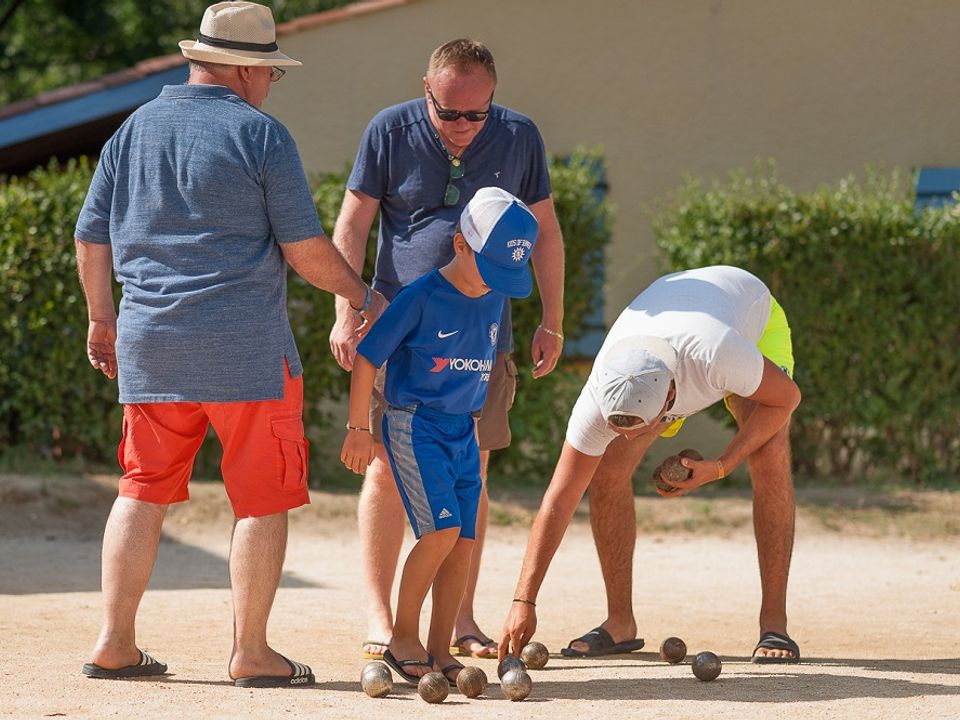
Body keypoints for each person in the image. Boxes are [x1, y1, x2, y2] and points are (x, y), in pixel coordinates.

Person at [74, 1, 385, 687]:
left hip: (152, 347)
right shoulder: (262, 135)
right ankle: (251, 653)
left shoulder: (132, 129)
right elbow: (305, 251)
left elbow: (90, 235)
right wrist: (364, 297)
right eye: (270, 71)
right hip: (247, 354)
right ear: (244, 68)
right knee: (262, 499)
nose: (272, 84)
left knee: (141, 490)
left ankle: (114, 642)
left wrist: (103, 321)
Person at [330, 38, 565, 660]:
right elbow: (352, 224)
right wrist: (346, 309)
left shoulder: (519, 137)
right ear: (425, 90)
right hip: (397, 325)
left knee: (472, 474)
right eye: (449, 112)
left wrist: (553, 320)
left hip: (481, 343)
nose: (463, 127)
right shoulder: (388, 130)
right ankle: (384, 620)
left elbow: (544, 232)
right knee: (384, 468)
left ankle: (458, 620)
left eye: (477, 113)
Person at [499, 265, 804, 664]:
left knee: (769, 452)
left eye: (638, 428)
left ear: (671, 398)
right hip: (672, 335)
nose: (627, 437)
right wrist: (524, 599)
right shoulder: (599, 391)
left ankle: (774, 623)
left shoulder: (718, 355)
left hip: (749, 316)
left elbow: (787, 398)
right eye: (618, 426)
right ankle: (620, 622)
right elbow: (558, 500)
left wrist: (722, 466)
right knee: (608, 467)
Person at [341, 187, 539, 683]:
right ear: (460, 244)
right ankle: (401, 638)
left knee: (465, 541)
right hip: (415, 425)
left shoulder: (494, 296)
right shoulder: (420, 296)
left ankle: (438, 647)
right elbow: (367, 357)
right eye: (490, 268)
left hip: (462, 431)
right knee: (442, 532)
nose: (496, 284)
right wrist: (359, 428)